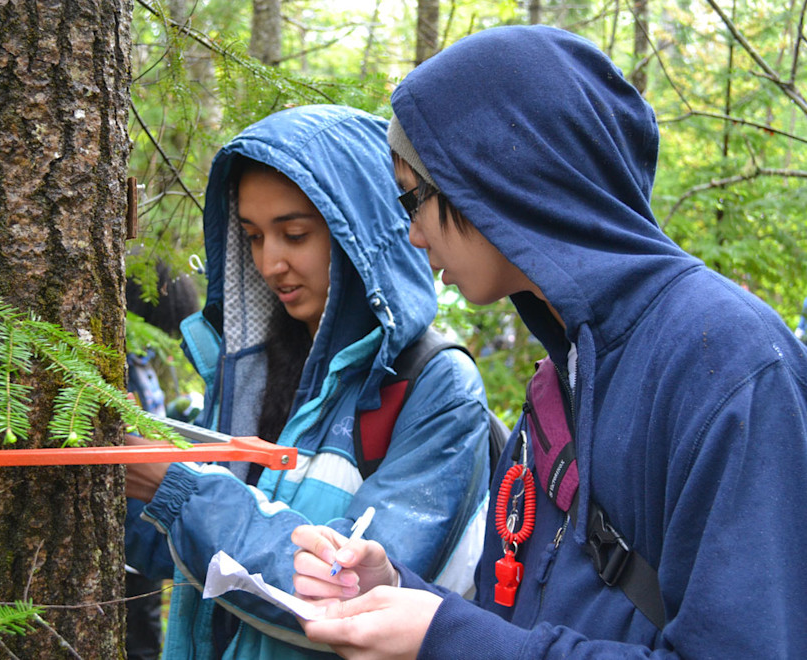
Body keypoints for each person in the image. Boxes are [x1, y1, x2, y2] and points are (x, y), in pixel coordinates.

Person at [290, 25, 807, 658]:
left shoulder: (726, 362)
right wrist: (401, 592)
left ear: (500, 175)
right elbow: (528, 618)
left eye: (413, 198)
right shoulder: (564, 371)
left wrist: (447, 639)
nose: (414, 235)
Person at [124, 104, 494, 659]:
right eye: (251, 237)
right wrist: (121, 477)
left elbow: (347, 597)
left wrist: (176, 488)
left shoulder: (434, 386)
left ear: (362, 234)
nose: (270, 263)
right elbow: (182, 554)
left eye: (294, 234)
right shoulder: (250, 371)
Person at [124, 265, 200, 660]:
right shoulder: (121, 367)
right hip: (129, 531)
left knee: (147, 633)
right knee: (137, 636)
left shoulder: (144, 364)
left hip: (150, 520)